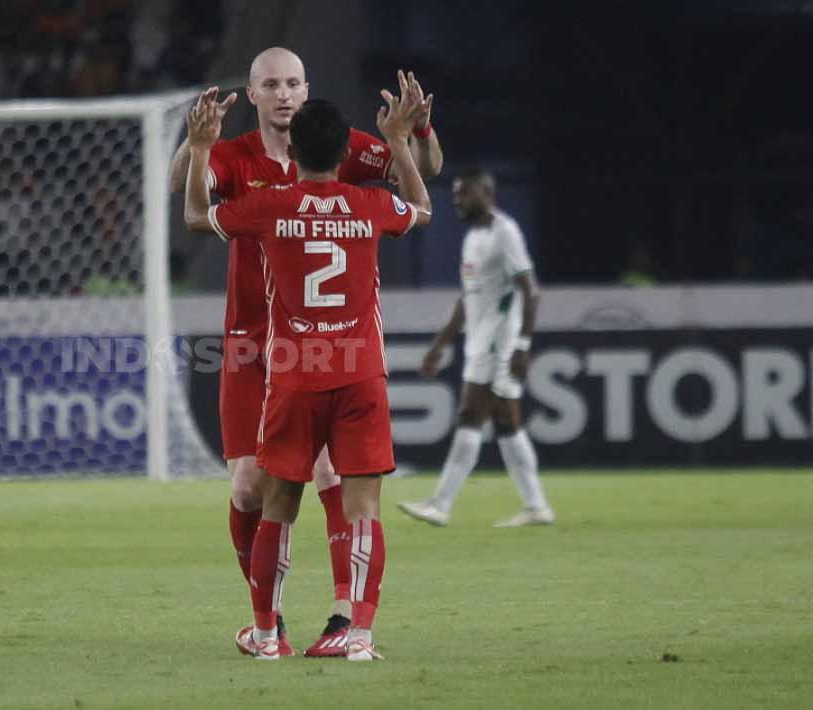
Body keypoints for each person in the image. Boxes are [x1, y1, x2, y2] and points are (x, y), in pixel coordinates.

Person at [168, 47, 442, 657]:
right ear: (255, 94)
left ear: (306, 89)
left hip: (310, 352)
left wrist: (418, 131)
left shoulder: (337, 145)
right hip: (252, 345)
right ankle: (274, 621)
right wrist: (198, 143)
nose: (285, 93)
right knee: (248, 488)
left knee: (327, 476)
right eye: (272, 84)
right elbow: (180, 186)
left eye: (294, 82)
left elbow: (424, 167)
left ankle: (339, 618)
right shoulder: (235, 155)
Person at [397, 168, 554, 528]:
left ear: (486, 192)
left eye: (463, 194)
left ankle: (440, 504)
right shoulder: (472, 239)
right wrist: (439, 346)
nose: (456, 201)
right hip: (479, 343)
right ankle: (536, 505)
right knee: (507, 424)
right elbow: (467, 299)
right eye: (454, 195)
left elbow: (531, 290)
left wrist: (523, 345)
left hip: (501, 344)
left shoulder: (505, 232)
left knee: (471, 415)